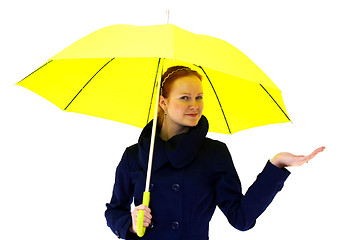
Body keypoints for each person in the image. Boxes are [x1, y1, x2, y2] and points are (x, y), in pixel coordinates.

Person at [105, 66, 325, 240]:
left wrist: (276, 166)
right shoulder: (135, 156)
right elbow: (114, 210)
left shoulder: (213, 153)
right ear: (163, 102)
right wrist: (131, 226)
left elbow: (242, 218)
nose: (195, 105)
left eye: (199, 97)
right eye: (185, 97)